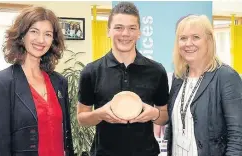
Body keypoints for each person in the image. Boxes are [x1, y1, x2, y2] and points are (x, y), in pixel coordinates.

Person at [77, 2, 169, 156]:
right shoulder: (91, 71)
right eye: (118, 27)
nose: (125, 33)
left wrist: (154, 114)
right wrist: (99, 114)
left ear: (139, 32)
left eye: (132, 28)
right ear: (108, 31)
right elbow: (82, 118)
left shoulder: (157, 71)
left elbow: (164, 117)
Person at [0, 7, 74, 156]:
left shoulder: (59, 82)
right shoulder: (1, 82)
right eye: (34, 31)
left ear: (53, 41)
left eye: (47, 34)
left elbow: (66, 136)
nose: (41, 40)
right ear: (22, 35)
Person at [165, 15, 242, 156]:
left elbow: (237, 136)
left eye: (195, 37)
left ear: (209, 41)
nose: (188, 43)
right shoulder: (179, 77)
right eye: (183, 38)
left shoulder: (226, 77)